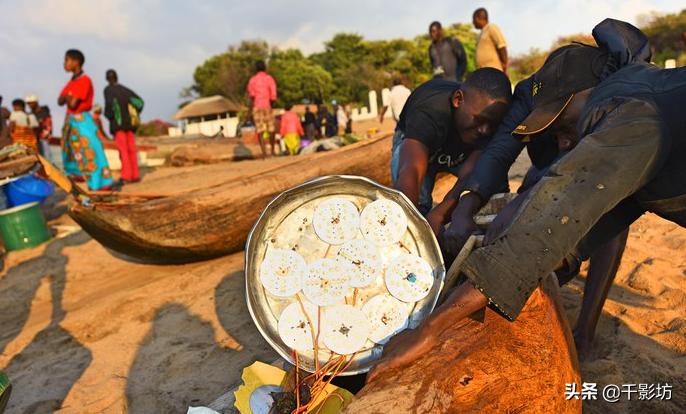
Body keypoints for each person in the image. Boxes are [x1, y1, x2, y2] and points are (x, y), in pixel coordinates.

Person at [369, 29, 686, 383]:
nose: (564, 142)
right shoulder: (619, 105)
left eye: (564, 126)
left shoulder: (626, 115)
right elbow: (571, 237)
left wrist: (429, 329)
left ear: (585, 95)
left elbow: (540, 233)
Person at [436, 19, 651, 355]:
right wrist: (465, 206)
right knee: (523, 224)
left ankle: (585, 331)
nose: (563, 138)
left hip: (602, 164)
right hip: (547, 165)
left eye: (564, 123)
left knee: (610, 214)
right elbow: (498, 153)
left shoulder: (622, 100)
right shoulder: (530, 94)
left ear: (592, 98)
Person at [391, 68, 512, 219]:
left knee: (489, 184)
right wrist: (407, 222)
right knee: (414, 203)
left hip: (459, 144)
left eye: (492, 124)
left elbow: (470, 175)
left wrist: (439, 215)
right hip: (419, 142)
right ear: (457, 100)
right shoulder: (429, 111)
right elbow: (411, 170)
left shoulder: (488, 122)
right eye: (480, 120)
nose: (485, 130)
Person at [58, 49, 113, 191]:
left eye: (67, 60)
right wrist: (69, 96)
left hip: (82, 121)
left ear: (76, 62)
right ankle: (84, 181)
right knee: (73, 153)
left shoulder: (85, 80)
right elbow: (60, 100)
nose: (64, 63)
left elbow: (72, 104)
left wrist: (68, 97)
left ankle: (101, 184)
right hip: (71, 121)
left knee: (91, 151)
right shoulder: (72, 82)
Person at [104, 69, 144, 184]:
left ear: (107, 79)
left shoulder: (108, 90)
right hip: (130, 125)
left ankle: (126, 176)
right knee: (131, 149)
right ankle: (135, 175)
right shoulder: (125, 90)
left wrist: (110, 115)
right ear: (117, 77)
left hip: (118, 125)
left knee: (123, 151)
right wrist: (134, 113)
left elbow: (109, 106)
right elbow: (140, 102)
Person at [247, 60, 277, 158]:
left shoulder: (252, 80)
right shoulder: (269, 78)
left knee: (260, 130)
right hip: (267, 105)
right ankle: (272, 151)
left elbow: (252, 95)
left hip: (257, 105)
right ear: (265, 67)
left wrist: (250, 110)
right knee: (271, 128)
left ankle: (264, 153)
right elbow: (273, 95)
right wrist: (270, 104)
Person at [472, 8, 508, 72]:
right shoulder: (481, 33)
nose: (473, 22)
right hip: (483, 72)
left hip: (494, 71)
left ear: (478, 18)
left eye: (473, 19)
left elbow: (502, 46)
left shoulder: (491, 28)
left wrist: (504, 66)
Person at [26, 95, 53, 161]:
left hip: (44, 138)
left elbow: (43, 121)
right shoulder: (31, 113)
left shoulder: (44, 110)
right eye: (28, 103)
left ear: (36, 102)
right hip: (36, 139)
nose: (29, 105)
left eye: (31, 103)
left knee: (47, 159)